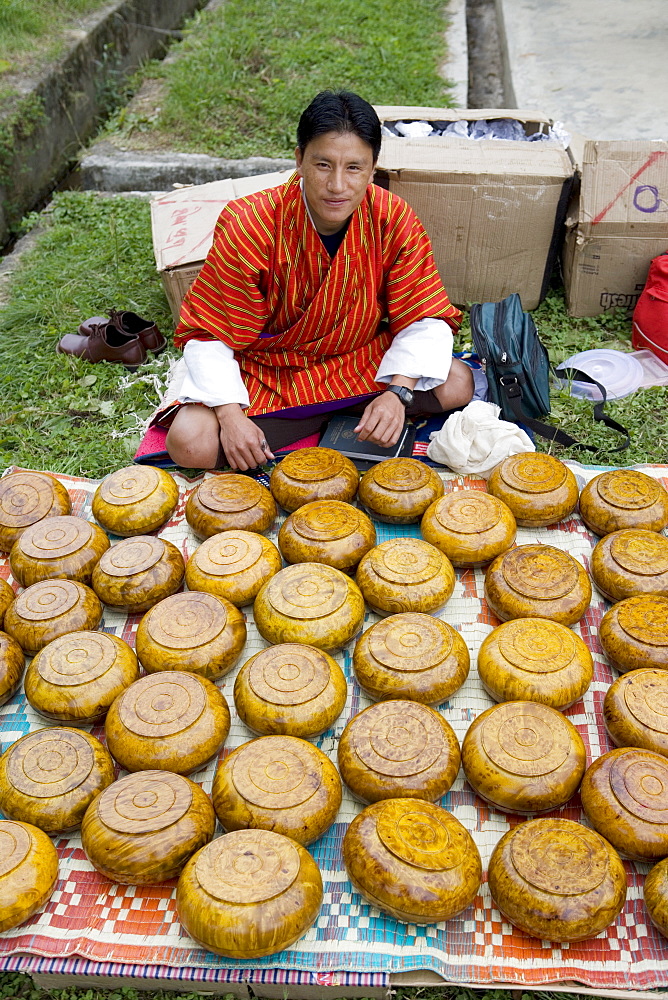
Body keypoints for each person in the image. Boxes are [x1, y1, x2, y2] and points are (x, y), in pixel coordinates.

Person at [157, 90, 474, 471]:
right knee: (191, 443)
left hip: (355, 361)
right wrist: (229, 416)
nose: (338, 185)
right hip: (267, 370)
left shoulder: (393, 219)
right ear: (299, 160)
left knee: (457, 382)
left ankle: (337, 416)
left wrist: (398, 393)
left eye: (354, 168)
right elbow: (211, 333)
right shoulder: (250, 223)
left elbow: (422, 313)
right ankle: (334, 418)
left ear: (373, 168)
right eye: (323, 165)